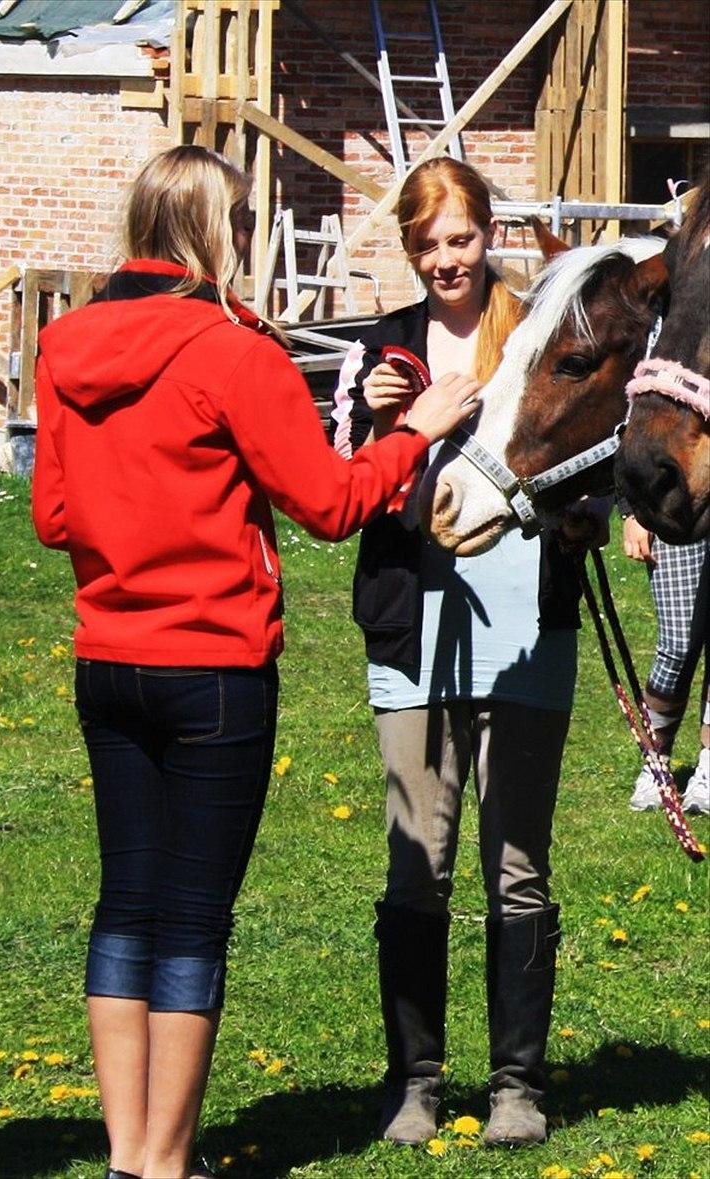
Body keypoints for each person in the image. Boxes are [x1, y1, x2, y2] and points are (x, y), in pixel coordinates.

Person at [31, 145, 478, 1179]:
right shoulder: (233, 350)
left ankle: (126, 1154)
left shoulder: (64, 345)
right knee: (190, 919)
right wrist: (410, 432)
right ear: (212, 230)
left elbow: (52, 515)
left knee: (122, 904)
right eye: (239, 221)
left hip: (108, 654)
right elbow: (327, 502)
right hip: (214, 666)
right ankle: (162, 1156)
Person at [331, 157, 609, 1149]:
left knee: (517, 867)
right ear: (408, 251)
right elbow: (341, 491)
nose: (447, 259)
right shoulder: (384, 350)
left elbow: (590, 447)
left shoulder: (538, 332)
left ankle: (514, 1088)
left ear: (487, 231)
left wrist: (583, 515)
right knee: (418, 868)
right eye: (427, 244)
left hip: (527, 628)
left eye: (460, 238)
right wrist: (380, 421)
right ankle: (413, 1083)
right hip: (414, 635)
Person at [622, 517, 709, 814]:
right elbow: (625, 466)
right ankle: (656, 767)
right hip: (674, 510)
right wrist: (633, 512)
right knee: (677, 646)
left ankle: (708, 768)